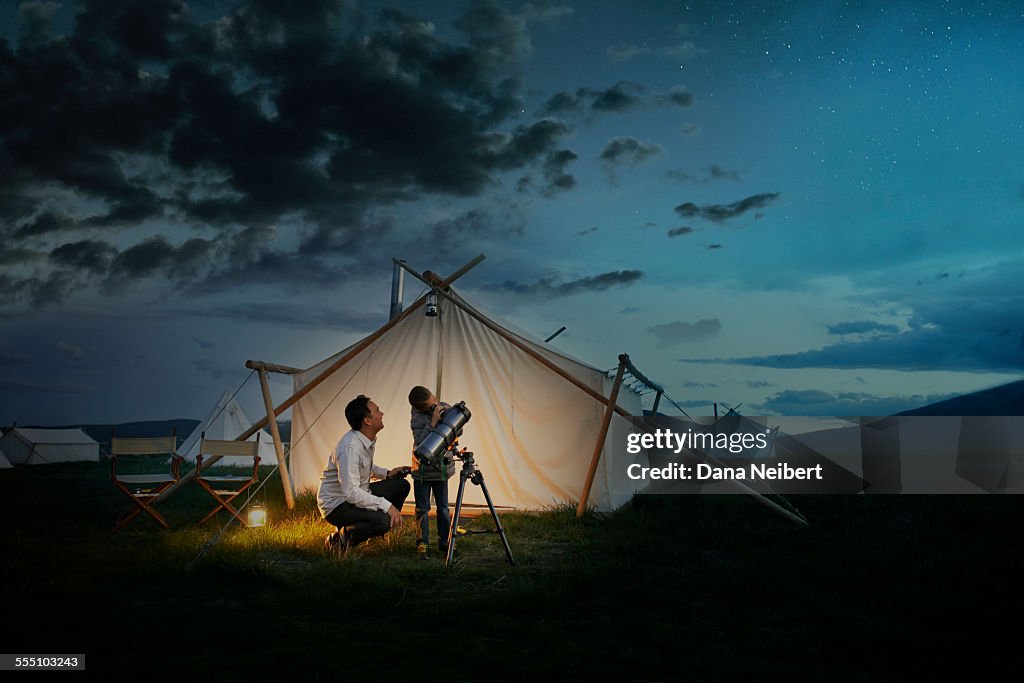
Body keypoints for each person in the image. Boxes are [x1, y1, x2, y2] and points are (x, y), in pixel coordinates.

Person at [317, 394, 410, 553]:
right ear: (367, 421)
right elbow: (351, 493)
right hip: (337, 505)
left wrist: (387, 474)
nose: (382, 414)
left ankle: (376, 529)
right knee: (382, 520)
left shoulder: (365, 439)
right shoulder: (350, 448)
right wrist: (388, 507)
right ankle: (340, 538)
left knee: (401, 485)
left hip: (357, 493)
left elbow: (365, 466)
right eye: (377, 411)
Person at [408, 385, 457, 559]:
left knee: (443, 508)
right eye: (431, 406)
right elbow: (421, 442)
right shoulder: (417, 419)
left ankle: (445, 542)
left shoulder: (444, 405)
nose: (436, 405)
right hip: (422, 471)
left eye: (435, 400)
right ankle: (422, 544)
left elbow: (458, 430)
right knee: (422, 509)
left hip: (441, 471)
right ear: (422, 408)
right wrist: (433, 422)